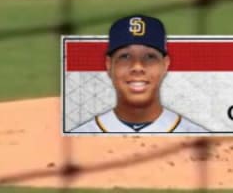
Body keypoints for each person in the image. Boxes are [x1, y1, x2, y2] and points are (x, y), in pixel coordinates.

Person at [71, 15, 208, 134]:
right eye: (125, 56)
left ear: (165, 64)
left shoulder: (198, 136)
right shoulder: (80, 136)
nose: (137, 67)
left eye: (150, 57)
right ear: (108, 64)